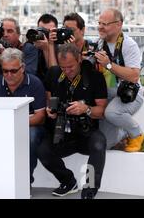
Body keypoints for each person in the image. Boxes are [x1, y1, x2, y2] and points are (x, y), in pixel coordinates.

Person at [37, 44, 108, 199]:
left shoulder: (95, 77)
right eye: (63, 68)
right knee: (43, 150)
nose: (67, 71)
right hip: (62, 131)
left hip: (86, 131)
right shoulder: (54, 73)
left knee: (99, 143)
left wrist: (86, 109)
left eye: (71, 67)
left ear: (79, 60)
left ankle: (89, 190)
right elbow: (49, 101)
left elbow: (102, 111)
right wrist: (51, 111)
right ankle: (68, 181)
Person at [0, 48, 46, 185]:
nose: (9, 75)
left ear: (22, 68)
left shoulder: (35, 83)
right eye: (5, 71)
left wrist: (12, 123)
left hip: (28, 127)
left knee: (31, 135)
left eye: (13, 71)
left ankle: (25, 182)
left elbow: (40, 117)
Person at [95, 8, 144, 151]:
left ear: (118, 24)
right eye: (99, 23)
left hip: (130, 95)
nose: (100, 27)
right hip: (110, 95)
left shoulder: (129, 45)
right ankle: (122, 134)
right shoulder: (99, 43)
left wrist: (108, 65)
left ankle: (136, 134)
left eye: (105, 23)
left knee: (112, 113)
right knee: (106, 143)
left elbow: (134, 76)